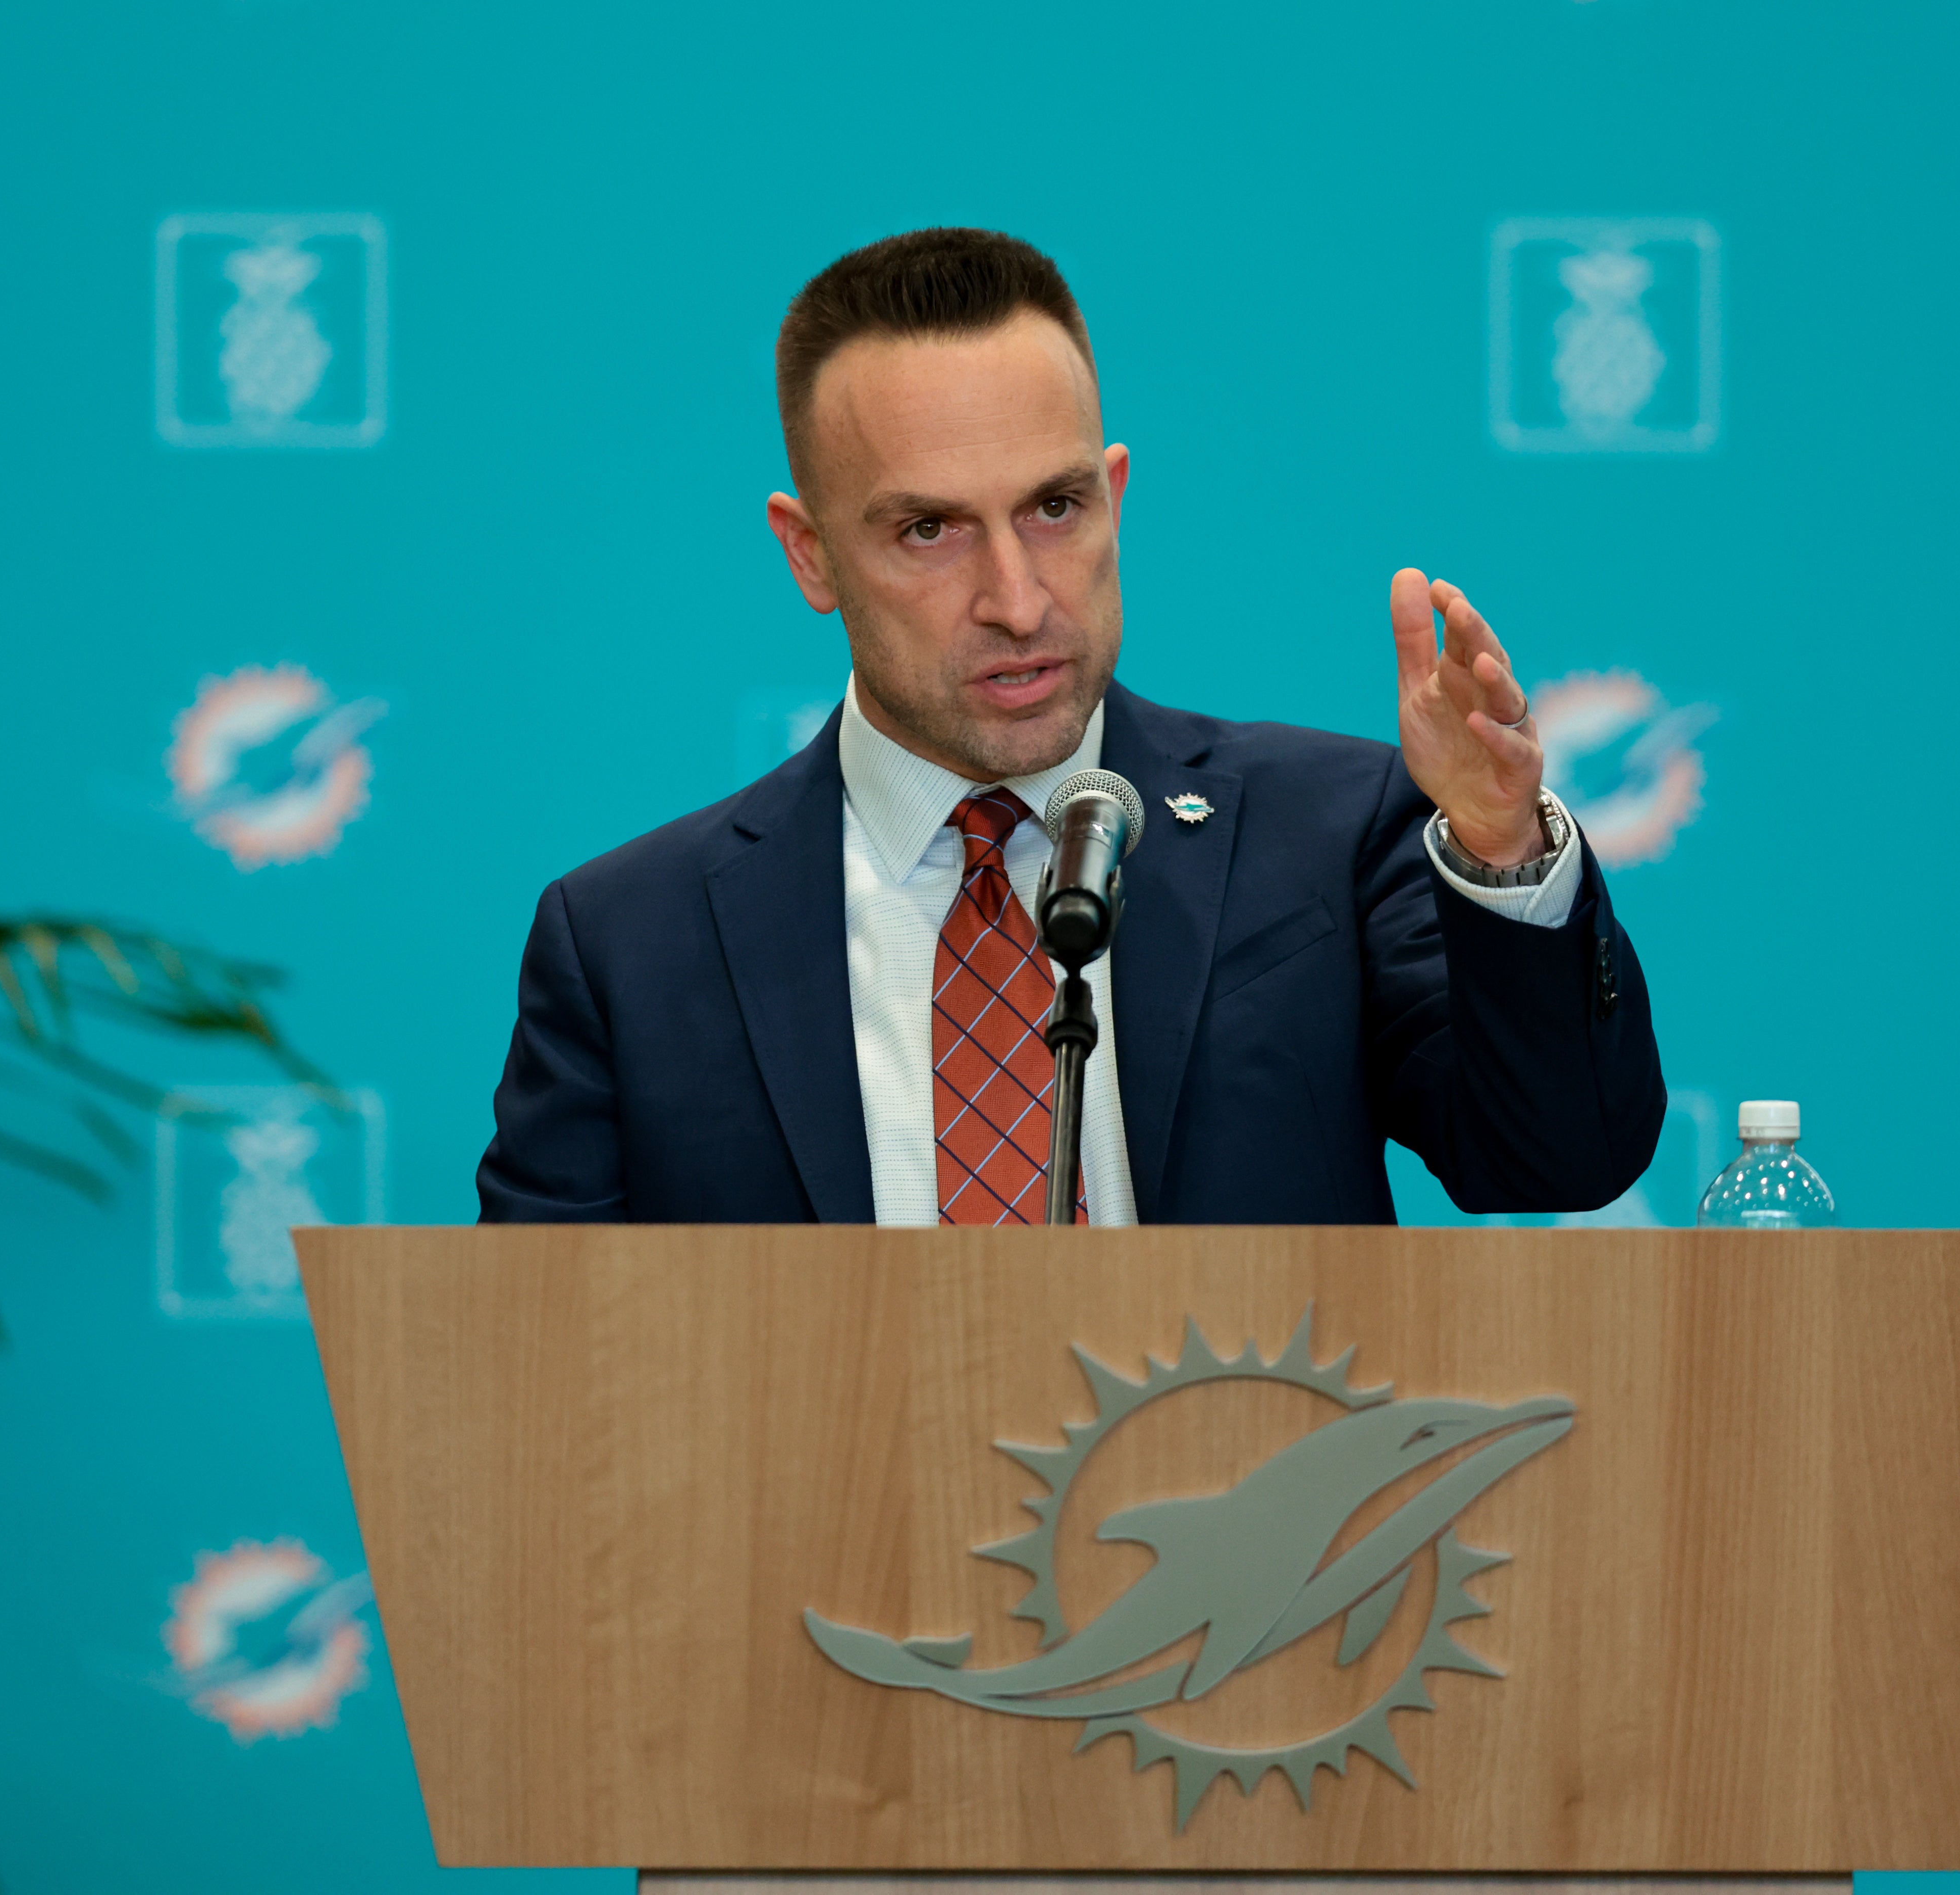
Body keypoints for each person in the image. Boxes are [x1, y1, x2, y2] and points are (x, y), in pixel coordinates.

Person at [478, 228, 1663, 1225]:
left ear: (1114, 494)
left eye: (1053, 507)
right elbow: (538, 1387)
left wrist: (1503, 844)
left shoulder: (1327, 832)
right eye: (928, 531)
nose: (1017, 599)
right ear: (810, 554)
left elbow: (1556, 1157)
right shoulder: (629, 946)